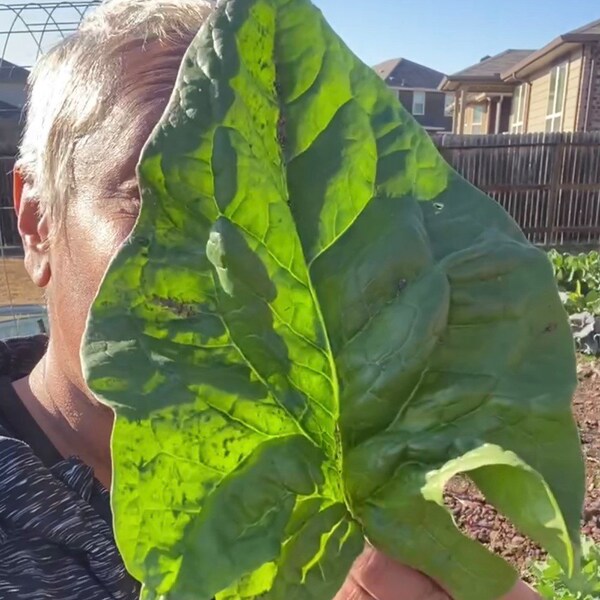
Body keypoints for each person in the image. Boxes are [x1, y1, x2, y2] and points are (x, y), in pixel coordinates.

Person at [0, 0, 541, 598]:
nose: (239, 259)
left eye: (282, 206)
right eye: (161, 195)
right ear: (36, 221)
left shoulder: (322, 481)